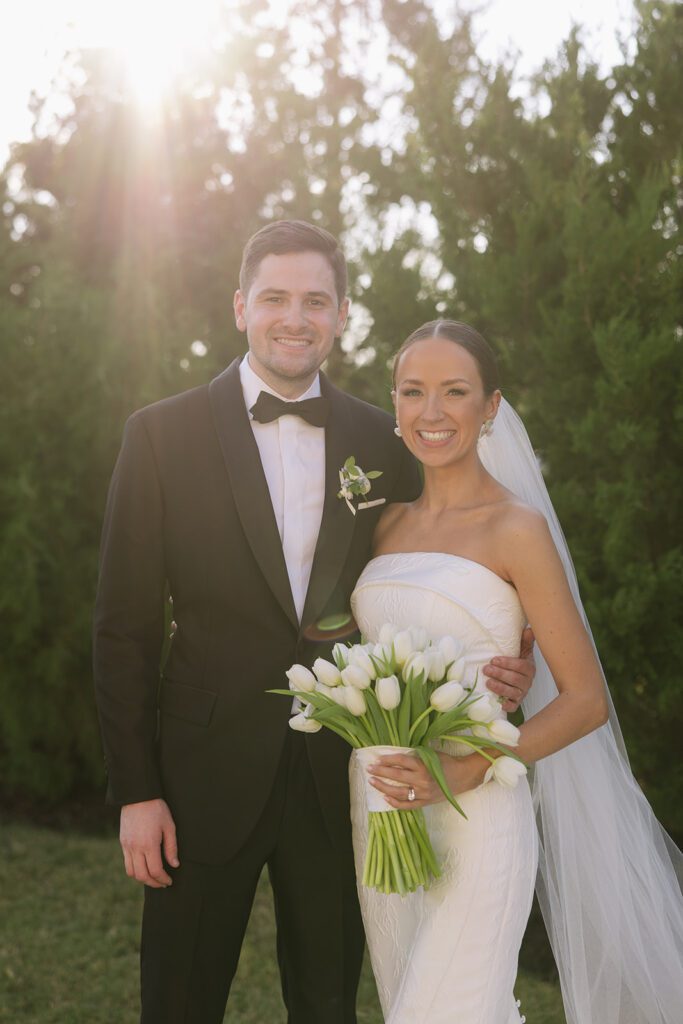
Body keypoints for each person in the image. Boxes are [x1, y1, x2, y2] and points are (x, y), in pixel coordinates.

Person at [92, 223, 536, 1024]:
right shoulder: (159, 436)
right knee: (179, 999)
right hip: (200, 777)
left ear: (340, 316)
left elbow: (444, 565)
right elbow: (121, 627)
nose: (293, 318)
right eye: (274, 298)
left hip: (344, 776)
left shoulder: (385, 438)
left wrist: (507, 657)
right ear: (239, 306)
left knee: (329, 1000)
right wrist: (138, 792)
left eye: (314, 302)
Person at [349, 319, 683, 1024]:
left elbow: (585, 700)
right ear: (394, 404)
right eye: (413, 392)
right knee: (407, 997)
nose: (431, 412)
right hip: (381, 808)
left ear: (490, 406)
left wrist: (475, 762)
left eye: (454, 392)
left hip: (476, 812)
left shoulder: (515, 528)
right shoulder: (383, 526)